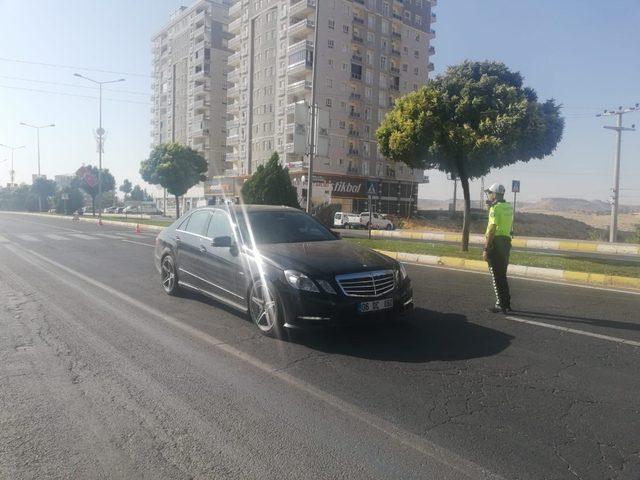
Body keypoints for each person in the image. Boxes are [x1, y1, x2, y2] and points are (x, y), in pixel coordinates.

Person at [482, 183, 514, 314]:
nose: (489, 195)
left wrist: (486, 248)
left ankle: (500, 304)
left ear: (494, 194)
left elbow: (492, 229)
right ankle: (506, 303)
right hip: (506, 242)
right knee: (502, 275)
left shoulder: (495, 209)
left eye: (490, 193)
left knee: (495, 275)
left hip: (495, 242)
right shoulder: (508, 207)